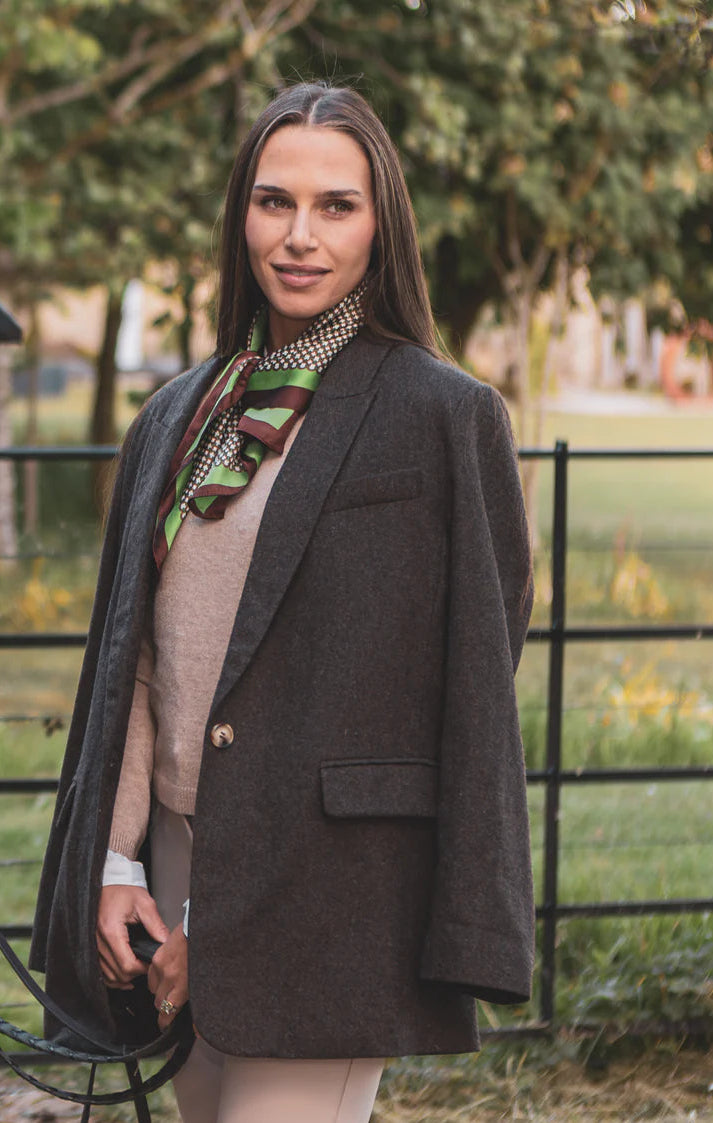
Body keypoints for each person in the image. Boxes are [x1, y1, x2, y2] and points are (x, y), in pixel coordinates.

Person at [30, 82, 535, 1123]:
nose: (299, 237)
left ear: (380, 224)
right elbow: (137, 660)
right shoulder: (178, 414)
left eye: (335, 206)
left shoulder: (444, 417)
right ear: (240, 216)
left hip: (329, 888)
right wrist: (118, 862)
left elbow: (474, 677)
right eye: (273, 202)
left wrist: (233, 928)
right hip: (168, 853)